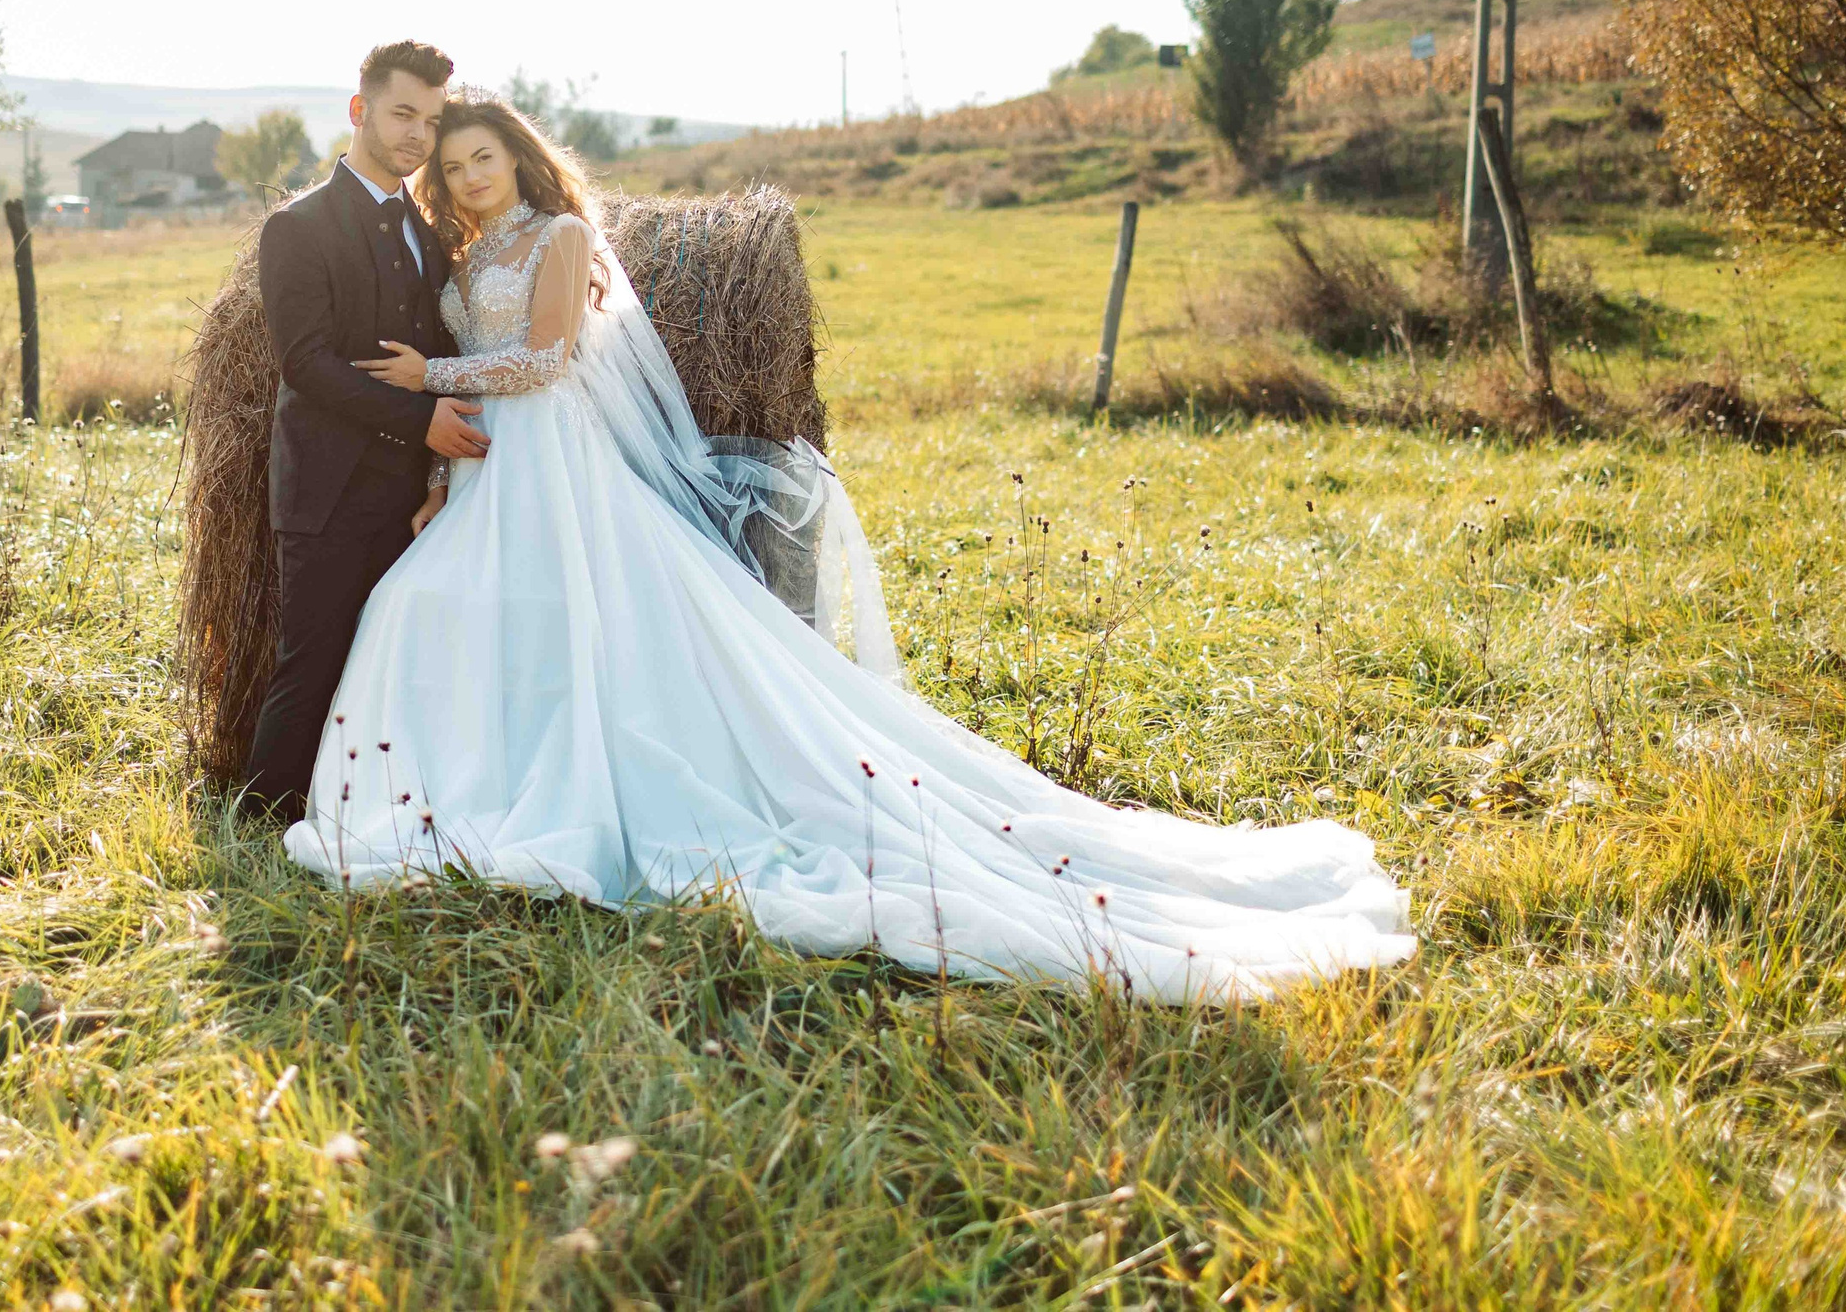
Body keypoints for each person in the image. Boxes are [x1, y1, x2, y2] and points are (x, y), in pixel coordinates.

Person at [283, 90, 1417, 1004]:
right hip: (491, 462)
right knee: (429, 607)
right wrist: (436, 455)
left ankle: (562, 786)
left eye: (484, 159)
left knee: (580, 616)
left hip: (555, 455)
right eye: (454, 169)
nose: (469, 178)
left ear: (522, 159)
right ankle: (465, 783)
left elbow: (545, 364)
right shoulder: (461, 251)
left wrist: (422, 376)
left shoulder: (563, 233)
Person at [243, 42, 489, 822]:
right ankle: (260, 822)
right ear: (360, 111)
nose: (419, 135)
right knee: (311, 661)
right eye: (402, 113)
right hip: (328, 486)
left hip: (412, 493)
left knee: (400, 664)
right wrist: (424, 420)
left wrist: (437, 471)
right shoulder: (298, 226)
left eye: (432, 119)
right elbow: (305, 362)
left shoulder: (429, 229)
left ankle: (373, 813)